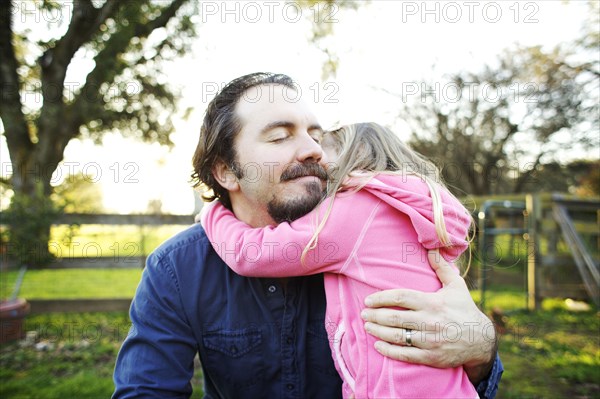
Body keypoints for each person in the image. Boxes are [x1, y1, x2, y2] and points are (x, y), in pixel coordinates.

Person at [112, 73, 503, 398]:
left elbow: (458, 376)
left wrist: (482, 350)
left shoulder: (380, 236)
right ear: (226, 171)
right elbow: (146, 390)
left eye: (317, 135)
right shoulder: (178, 268)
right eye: (280, 136)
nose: (314, 150)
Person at [201, 122, 479, 398]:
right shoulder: (420, 209)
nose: (313, 156)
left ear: (351, 154)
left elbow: (250, 253)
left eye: (322, 149)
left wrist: (213, 212)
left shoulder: (355, 207)